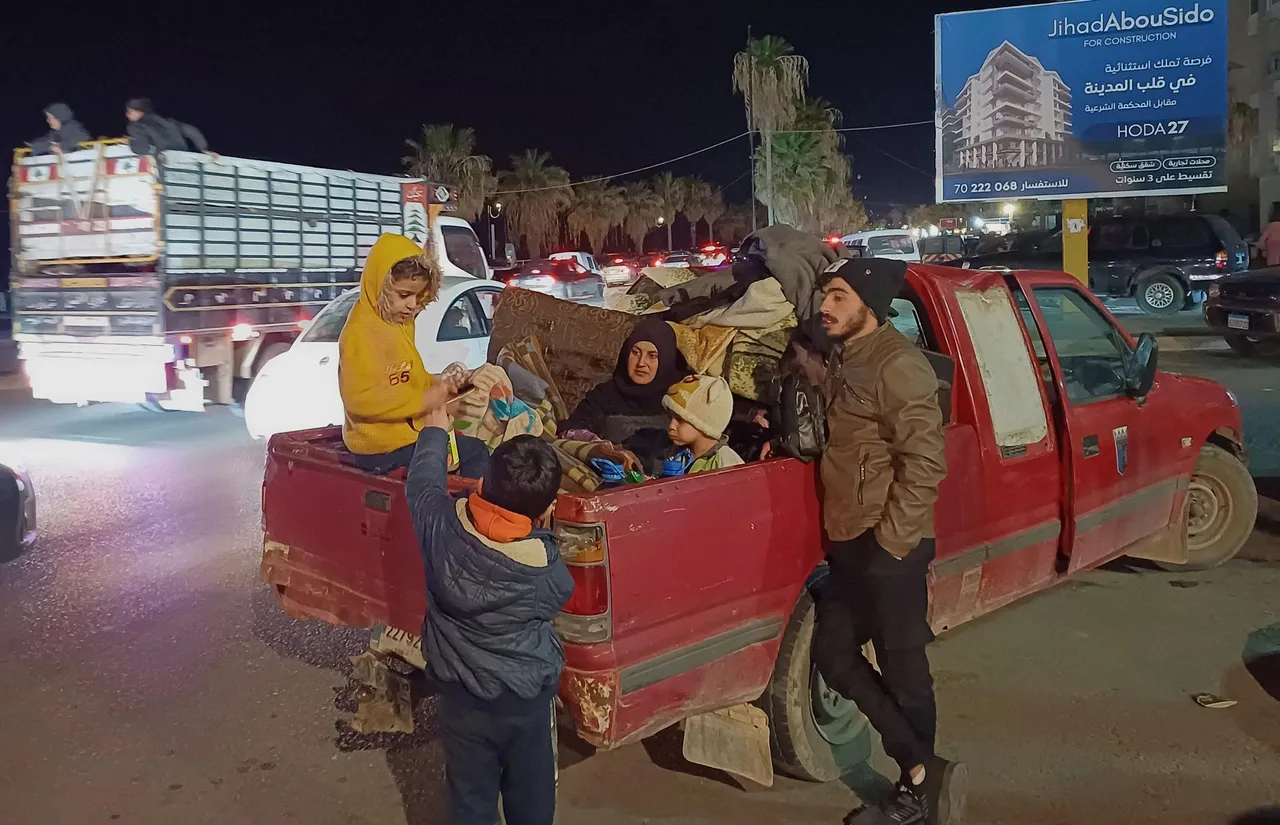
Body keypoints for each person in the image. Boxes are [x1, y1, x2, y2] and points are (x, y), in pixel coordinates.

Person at [810, 258, 962, 825]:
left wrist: (893, 544)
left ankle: (917, 795)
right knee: (833, 654)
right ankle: (922, 767)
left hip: (889, 541)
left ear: (869, 304)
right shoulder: (845, 355)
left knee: (904, 671)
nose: (826, 306)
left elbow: (924, 461)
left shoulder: (898, 364)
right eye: (826, 295)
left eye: (839, 296)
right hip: (850, 538)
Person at [405, 419, 572, 825]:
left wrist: (435, 431)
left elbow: (422, 484)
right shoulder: (544, 571)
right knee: (530, 794)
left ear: (482, 482)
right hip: (523, 702)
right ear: (545, 510)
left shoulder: (439, 526)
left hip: (459, 696)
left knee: (470, 796)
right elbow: (561, 594)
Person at [338, 233, 489, 478]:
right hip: (380, 448)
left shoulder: (398, 323)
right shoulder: (360, 332)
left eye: (419, 296)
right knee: (475, 451)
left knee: (464, 437)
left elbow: (405, 377)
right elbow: (361, 399)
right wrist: (426, 400)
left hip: (403, 437)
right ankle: (461, 503)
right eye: (403, 295)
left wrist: (441, 384)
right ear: (380, 286)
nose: (412, 304)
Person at [562, 316, 689, 439]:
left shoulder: (682, 396)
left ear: (666, 360)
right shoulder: (603, 395)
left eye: (652, 356)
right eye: (635, 352)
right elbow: (573, 431)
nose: (641, 363)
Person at [663, 374, 743, 473]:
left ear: (703, 424)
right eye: (670, 418)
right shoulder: (676, 453)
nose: (671, 426)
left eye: (680, 420)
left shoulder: (727, 464)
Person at [124, 98, 216, 157]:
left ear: (139, 112)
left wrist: (130, 141)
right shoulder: (169, 122)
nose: (127, 115)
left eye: (129, 111)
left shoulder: (136, 126)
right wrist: (204, 149)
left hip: (164, 161)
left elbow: (142, 149)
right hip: (183, 158)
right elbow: (192, 131)